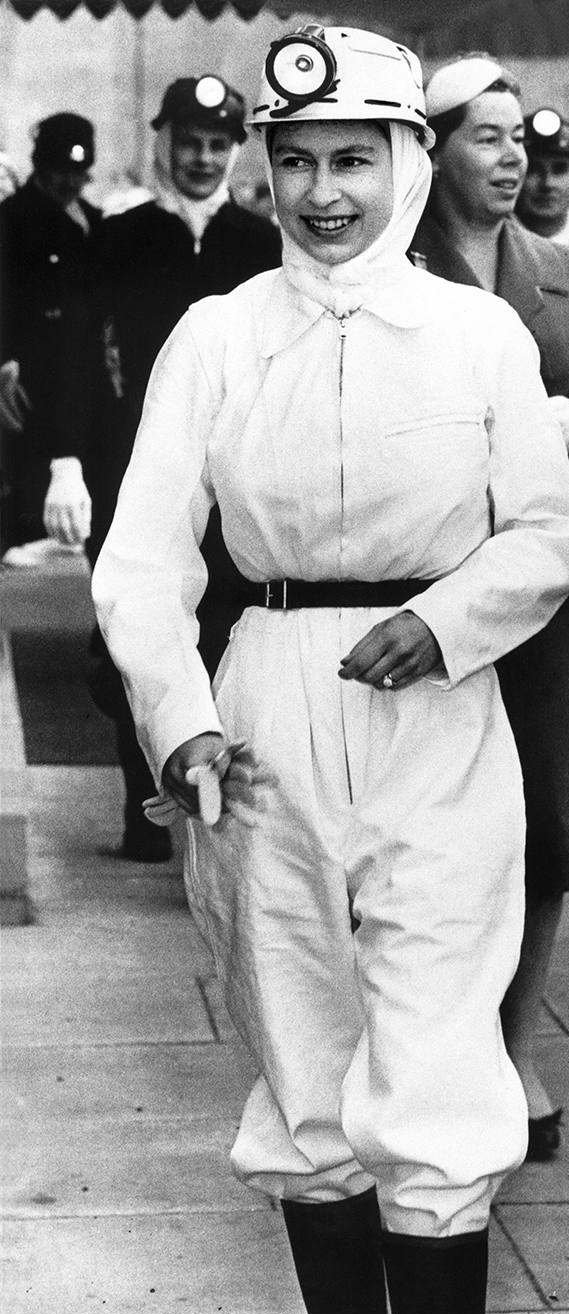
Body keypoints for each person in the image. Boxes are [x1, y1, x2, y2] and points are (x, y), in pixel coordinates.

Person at [92, 25, 569, 1314]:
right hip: (263, 721)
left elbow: (550, 533)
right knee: (307, 1068)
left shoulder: (478, 336)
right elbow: (140, 563)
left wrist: (446, 624)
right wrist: (178, 719)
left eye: (353, 163)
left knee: (436, 1057)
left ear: (409, 165)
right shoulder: (220, 335)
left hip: (438, 718)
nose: (322, 194)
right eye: (297, 163)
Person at [412, 57, 569, 1162]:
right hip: (423, 591)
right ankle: (434, 1048)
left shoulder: (561, 269)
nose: (514, 161)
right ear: (434, 147)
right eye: (487, 138)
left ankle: (512, 1047)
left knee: (545, 817)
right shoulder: (390, 268)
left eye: (519, 140)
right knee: (434, 831)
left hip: (540, 597)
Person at [84, 75, 280, 862]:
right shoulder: (119, 238)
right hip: (135, 464)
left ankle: (224, 806)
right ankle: (147, 805)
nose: (202, 158)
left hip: (240, 472)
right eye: (189, 142)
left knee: (228, 625)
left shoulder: (261, 243)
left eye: (218, 144)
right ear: (162, 141)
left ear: (236, 150)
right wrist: (74, 458)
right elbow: (80, 355)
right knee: (132, 630)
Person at [0, 114, 100, 563]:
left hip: (77, 367)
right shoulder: (11, 220)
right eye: (60, 170)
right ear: (40, 166)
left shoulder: (93, 221)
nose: (69, 182)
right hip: (24, 371)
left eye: (78, 172)